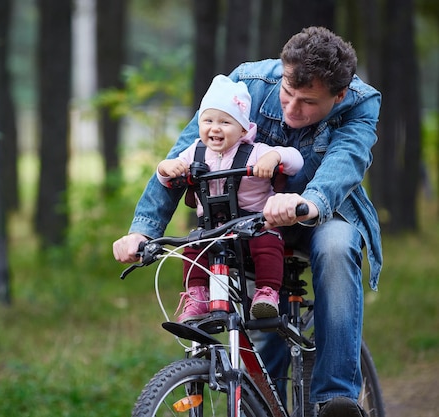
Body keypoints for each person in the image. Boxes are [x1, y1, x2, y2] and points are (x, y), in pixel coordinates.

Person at [113, 26, 382, 417]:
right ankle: (261, 403)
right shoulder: (246, 83)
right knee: (262, 328)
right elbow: (187, 154)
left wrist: (306, 202)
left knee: (338, 246)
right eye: (287, 94)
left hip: (322, 213)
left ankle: (334, 397)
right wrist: (143, 230)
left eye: (308, 103)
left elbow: (346, 160)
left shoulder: (359, 102)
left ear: (338, 96)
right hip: (248, 220)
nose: (291, 110)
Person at [155, 75, 303, 323]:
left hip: (252, 226)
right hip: (212, 229)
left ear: (243, 129)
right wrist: (165, 168)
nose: (215, 127)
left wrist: (276, 157)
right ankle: (197, 296)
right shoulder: (194, 152)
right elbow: (166, 178)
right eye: (208, 120)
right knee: (192, 247)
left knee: (267, 241)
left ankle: (266, 294)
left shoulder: (256, 152)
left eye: (225, 122)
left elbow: (296, 161)